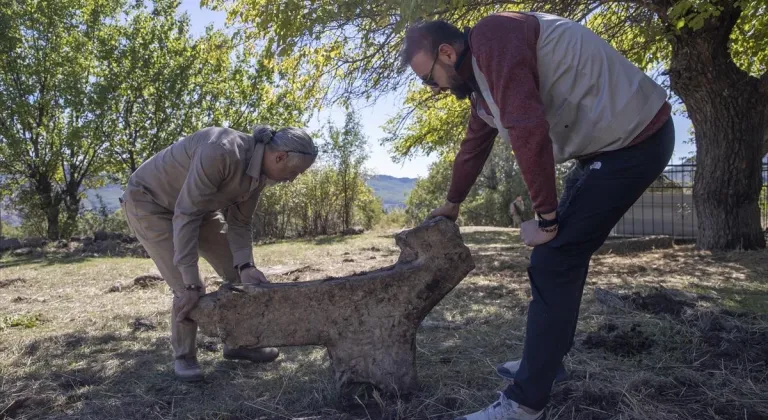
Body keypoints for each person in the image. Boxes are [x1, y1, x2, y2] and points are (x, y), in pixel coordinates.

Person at [401, 11, 675, 420]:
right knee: (560, 258)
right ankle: (547, 364)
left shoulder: (494, 37)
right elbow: (473, 148)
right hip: (608, 150)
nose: (436, 89)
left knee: (554, 256)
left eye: (430, 78)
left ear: (446, 51)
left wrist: (546, 218)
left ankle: (525, 402)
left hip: (637, 139)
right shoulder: (482, 87)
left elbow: (527, 126)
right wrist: (452, 203)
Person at [120, 125, 318, 382]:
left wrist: (246, 266)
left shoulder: (259, 174)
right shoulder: (220, 151)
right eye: (295, 172)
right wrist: (190, 280)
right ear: (280, 156)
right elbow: (186, 214)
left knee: (237, 276)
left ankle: (239, 343)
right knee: (187, 289)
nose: (292, 179)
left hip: (196, 209)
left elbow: (240, 223)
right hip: (150, 204)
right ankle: (185, 357)